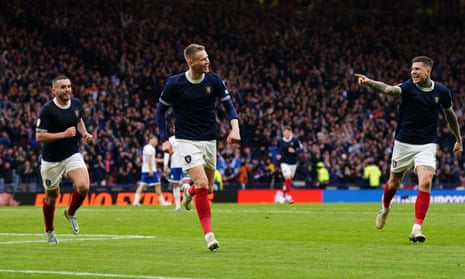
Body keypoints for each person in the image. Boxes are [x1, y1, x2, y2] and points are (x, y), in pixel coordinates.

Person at [355, 55, 462, 243]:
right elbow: (388, 89)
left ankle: (416, 228)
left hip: (427, 144)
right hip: (403, 143)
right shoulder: (408, 87)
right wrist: (369, 82)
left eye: (417, 69)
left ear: (428, 71)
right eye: (412, 69)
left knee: (426, 181)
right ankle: (385, 207)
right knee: (394, 183)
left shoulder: (442, 92)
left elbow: (450, 116)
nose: (413, 72)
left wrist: (458, 139)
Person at [156, 43, 241, 251]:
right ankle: (209, 235)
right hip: (186, 140)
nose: (207, 61)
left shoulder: (214, 80)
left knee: (207, 188)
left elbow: (229, 106)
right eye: (203, 59)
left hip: (209, 140)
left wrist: (235, 129)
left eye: (207, 57)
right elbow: (160, 112)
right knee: (203, 183)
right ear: (191, 62)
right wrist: (165, 139)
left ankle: (188, 190)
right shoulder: (174, 84)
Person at [35, 75, 93, 244]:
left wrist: (85, 134)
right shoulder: (47, 110)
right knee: (52, 197)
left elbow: (79, 120)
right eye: (63, 87)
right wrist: (64, 135)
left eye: (68, 86)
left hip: (72, 154)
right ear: (54, 90)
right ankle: (50, 231)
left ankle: (71, 212)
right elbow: (39, 136)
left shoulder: (76, 104)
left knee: (83, 186)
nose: (67, 89)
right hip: (52, 160)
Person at [133, 135, 171, 207]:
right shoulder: (150, 148)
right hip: (150, 170)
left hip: (145, 170)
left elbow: (152, 159)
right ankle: (162, 202)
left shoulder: (147, 147)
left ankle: (135, 202)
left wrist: (162, 160)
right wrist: (151, 170)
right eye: (155, 140)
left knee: (142, 185)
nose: (156, 142)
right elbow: (149, 159)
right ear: (151, 139)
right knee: (157, 185)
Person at [163, 134, 191, 211]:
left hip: (186, 164)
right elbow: (166, 152)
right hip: (175, 165)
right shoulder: (170, 140)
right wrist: (165, 164)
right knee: (175, 185)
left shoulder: (187, 137)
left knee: (186, 184)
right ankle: (178, 205)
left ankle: (186, 203)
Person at [276, 126, 303, 204]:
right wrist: (278, 155)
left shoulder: (295, 140)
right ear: (283, 133)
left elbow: (301, 149)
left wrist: (295, 151)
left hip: (293, 163)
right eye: (285, 132)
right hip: (284, 162)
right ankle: (288, 196)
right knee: (287, 178)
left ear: (290, 132)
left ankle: (282, 197)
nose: (286, 133)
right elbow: (277, 149)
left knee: (288, 181)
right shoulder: (280, 140)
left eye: (288, 132)